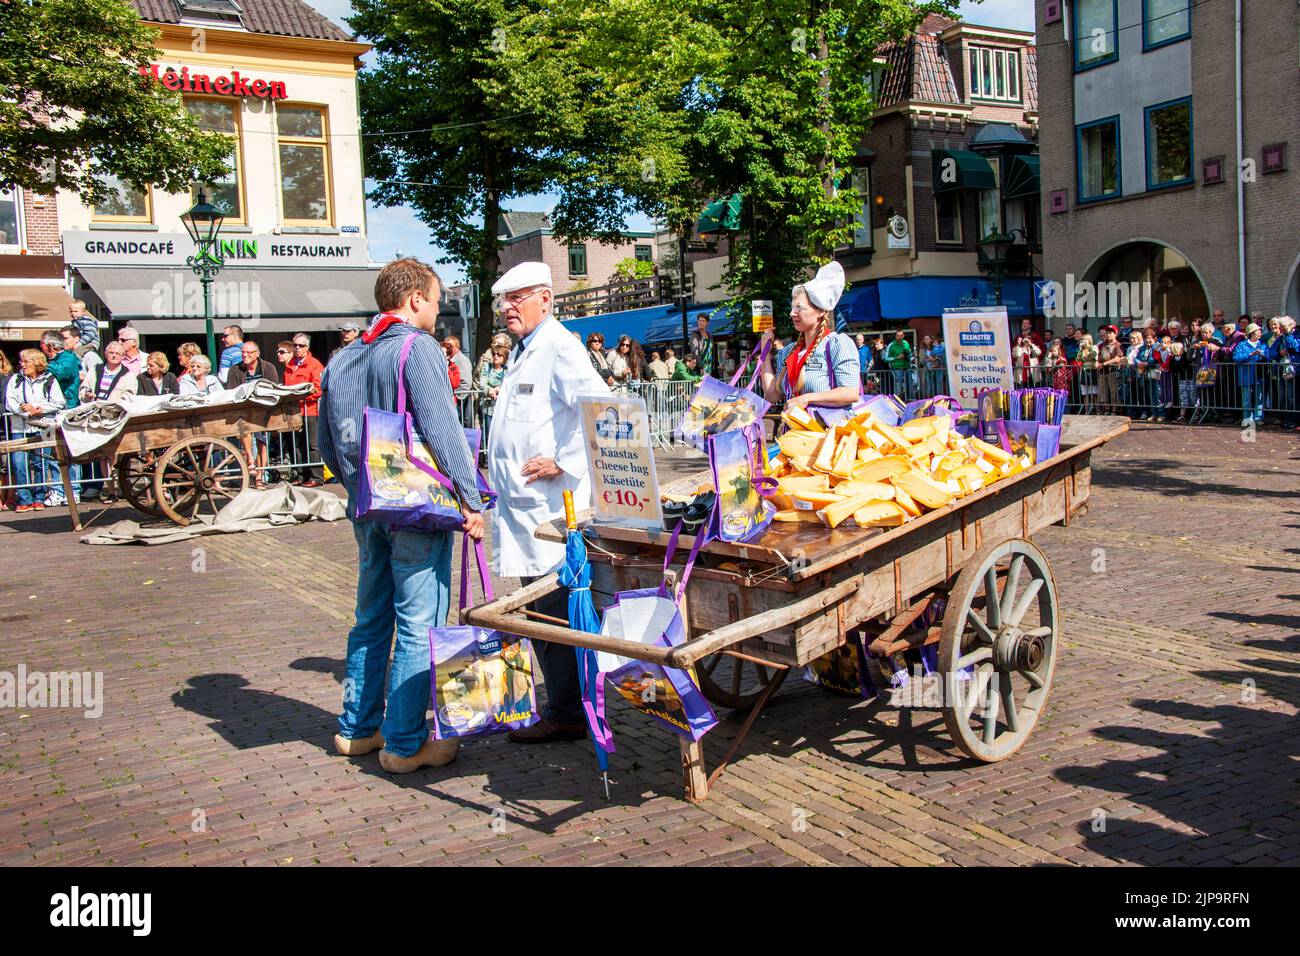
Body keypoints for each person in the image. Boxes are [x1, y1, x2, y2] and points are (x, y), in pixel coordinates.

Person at [318, 257, 485, 773]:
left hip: (367, 510)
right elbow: (442, 430)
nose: (440, 310)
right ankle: (406, 744)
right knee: (419, 623)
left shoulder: (345, 357)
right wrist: (471, 499)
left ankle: (356, 729)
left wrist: (360, 487)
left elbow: (325, 443)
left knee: (370, 619)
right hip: (416, 509)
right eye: (437, 300)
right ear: (415, 299)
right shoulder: (419, 348)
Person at [486, 260, 610, 745]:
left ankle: (567, 709)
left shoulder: (559, 346)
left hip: (550, 512)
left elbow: (598, 410)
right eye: (504, 300)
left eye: (518, 298)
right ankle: (566, 703)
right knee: (541, 612)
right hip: (523, 508)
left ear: (545, 298)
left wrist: (563, 459)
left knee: (551, 611)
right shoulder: (525, 350)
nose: (507, 308)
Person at [758, 261, 860, 410]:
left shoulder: (837, 344)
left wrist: (806, 399)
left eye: (799, 308)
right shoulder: (788, 352)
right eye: (793, 308)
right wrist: (765, 353)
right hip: (795, 431)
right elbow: (771, 395)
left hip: (827, 430)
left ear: (820, 311)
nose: (792, 313)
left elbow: (850, 393)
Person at [5, 349, 65, 511]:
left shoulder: (49, 379)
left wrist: (39, 409)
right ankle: (24, 499)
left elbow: (59, 402)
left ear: (37, 363)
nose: (22, 365)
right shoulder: (15, 379)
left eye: (26, 362)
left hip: (44, 425)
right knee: (19, 463)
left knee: (42, 462)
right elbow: (10, 402)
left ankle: (39, 497)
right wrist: (27, 412)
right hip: (20, 427)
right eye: (21, 361)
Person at [227, 342, 280, 488]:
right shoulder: (235, 369)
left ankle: (260, 476)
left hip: (263, 409)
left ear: (257, 353)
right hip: (244, 409)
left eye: (249, 353)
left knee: (262, 441)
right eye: (243, 352)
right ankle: (250, 460)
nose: (245, 355)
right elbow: (231, 391)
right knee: (245, 431)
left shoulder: (268, 368)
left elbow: (274, 388)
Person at [283, 333, 325, 486]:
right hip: (294, 412)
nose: (297, 348)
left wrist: (300, 398)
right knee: (296, 445)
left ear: (307, 347)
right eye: (295, 345)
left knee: (312, 445)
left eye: (301, 345)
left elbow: (318, 388)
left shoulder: (314, 364)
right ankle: (300, 475)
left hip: (310, 411)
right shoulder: (290, 365)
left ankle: (316, 477)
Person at [1233, 323, 1268, 425]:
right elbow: (1236, 358)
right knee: (1246, 399)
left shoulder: (1262, 345)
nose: (1260, 333)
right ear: (1251, 333)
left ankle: (1258, 418)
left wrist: (1263, 355)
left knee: (1259, 398)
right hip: (1246, 375)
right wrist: (1250, 354)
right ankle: (1247, 418)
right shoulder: (1242, 345)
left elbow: (1269, 357)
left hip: (1259, 375)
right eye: (1257, 331)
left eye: (1260, 331)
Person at [477, 345, 508, 439]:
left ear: (504, 357)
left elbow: (509, 383)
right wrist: (489, 390)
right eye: (494, 354)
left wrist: (500, 388)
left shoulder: (507, 370)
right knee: (489, 435)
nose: (495, 356)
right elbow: (482, 383)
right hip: (488, 407)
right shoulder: (487, 368)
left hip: (503, 408)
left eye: (499, 354)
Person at [1096, 325, 1125, 415]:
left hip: (1112, 370)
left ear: (1115, 334)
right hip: (1102, 372)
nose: (1108, 335)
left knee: (1113, 391)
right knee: (1104, 391)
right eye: (1107, 333)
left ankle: (1114, 409)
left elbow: (1117, 358)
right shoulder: (1103, 345)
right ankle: (1107, 409)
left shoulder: (1118, 345)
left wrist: (1104, 364)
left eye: (1111, 333)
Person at [442, 335, 474, 408]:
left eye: (449, 347)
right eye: (445, 346)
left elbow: (466, 383)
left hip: (458, 402)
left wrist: (455, 395)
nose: (447, 349)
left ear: (456, 348)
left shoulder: (462, 361)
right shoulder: (446, 360)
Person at [884, 329, 913, 398]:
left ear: (903, 336)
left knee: (909, 384)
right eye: (898, 336)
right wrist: (897, 357)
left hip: (907, 367)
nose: (899, 337)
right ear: (895, 336)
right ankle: (898, 399)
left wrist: (908, 355)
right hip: (896, 369)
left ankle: (910, 398)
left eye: (901, 336)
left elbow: (910, 354)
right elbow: (886, 358)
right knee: (898, 385)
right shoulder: (891, 345)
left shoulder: (906, 343)